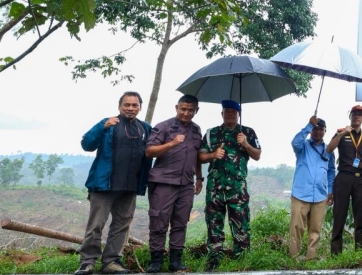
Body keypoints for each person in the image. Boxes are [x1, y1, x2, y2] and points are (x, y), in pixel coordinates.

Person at [74, 92, 152, 275]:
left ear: (140, 107)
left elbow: (151, 152)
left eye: (135, 105)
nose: (131, 108)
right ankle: (87, 262)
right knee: (96, 225)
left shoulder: (145, 128)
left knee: (121, 226)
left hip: (130, 186)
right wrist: (103, 127)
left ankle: (111, 261)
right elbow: (87, 144)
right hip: (104, 185)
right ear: (119, 107)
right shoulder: (108, 123)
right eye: (127, 105)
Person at [198, 100, 262, 270]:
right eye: (227, 112)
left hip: (237, 188)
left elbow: (257, 155)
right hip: (215, 188)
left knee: (241, 223)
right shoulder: (211, 133)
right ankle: (214, 258)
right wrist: (213, 154)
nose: (230, 115)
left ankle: (241, 258)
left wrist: (246, 144)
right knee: (214, 223)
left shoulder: (247, 132)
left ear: (238, 114)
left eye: (233, 112)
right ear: (222, 114)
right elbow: (200, 157)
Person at [144, 94, 204, 273]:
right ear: (176, 108)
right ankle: (156, 261)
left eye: (190, 110)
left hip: (186, 183)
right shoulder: (163, 127)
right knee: (159, 221)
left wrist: (199, 178)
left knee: (180, 222)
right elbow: (149, 151)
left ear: (196, 111)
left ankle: (175, 261)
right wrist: (171, 143)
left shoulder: (196, 130)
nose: (186, 113)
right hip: (163, 182)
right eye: (183, 109)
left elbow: (197, 156)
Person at [327, 104, 362, 255]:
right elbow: (329, 148)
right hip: (344, 178)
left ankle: (360, 253)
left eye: (360, 114)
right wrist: (341, 134)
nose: (357, 116)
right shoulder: (341, 133)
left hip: (361, 180)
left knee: (360, 217)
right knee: (339, 214)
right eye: (354, 114)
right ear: (350, 116)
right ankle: (335, 255)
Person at [289, 115, 335, 260]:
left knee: (315, 230)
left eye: (320, 129)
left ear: (325, 131)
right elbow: (294, 142)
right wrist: (308, 125)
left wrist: (330, 191)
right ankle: (293, 258)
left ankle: (312, 258)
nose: (317, 131)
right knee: (297, 228)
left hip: (320, 196)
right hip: (300, 194)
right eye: (315, 128)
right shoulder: (303, 146)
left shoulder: (329, 150)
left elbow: (331, 171)